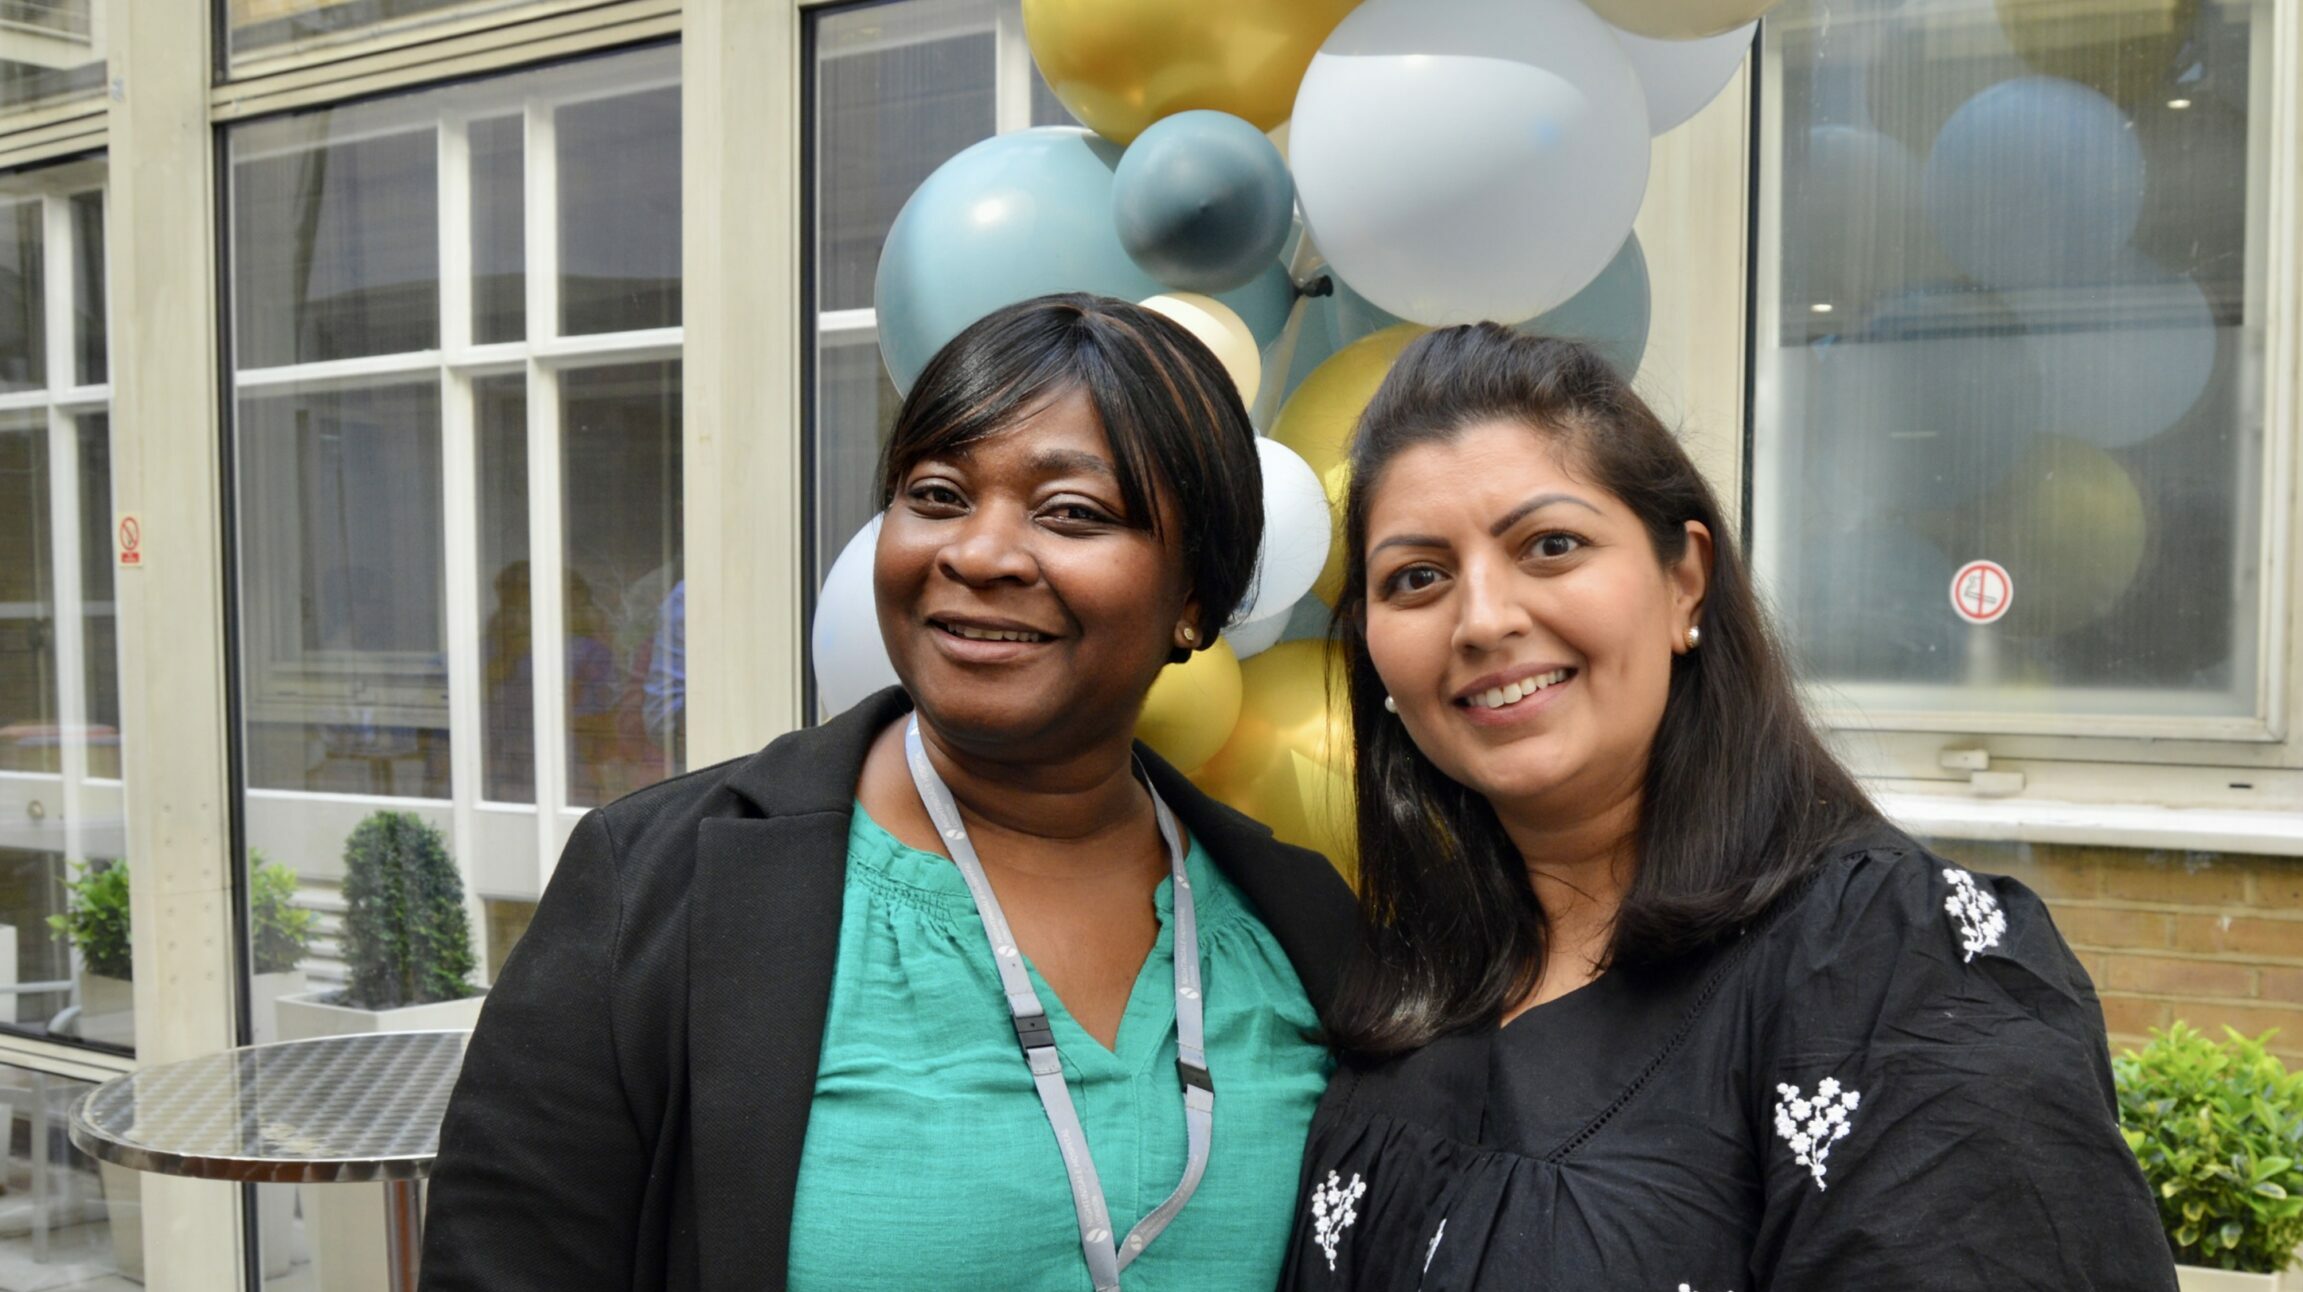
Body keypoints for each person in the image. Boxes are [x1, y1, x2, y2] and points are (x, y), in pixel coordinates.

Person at [423, 293, 1355, 1291]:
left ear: (1195, 600)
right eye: (938, 494)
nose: (976, 552)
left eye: (1070, 512)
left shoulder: (1300, 929)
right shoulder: (659, 887)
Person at [1279, 324, 2177, 1291]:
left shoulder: (1897, 966)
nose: (1484, 618)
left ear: (1684, 582)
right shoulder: (1408, 974)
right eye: (1417, 577)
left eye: (1550, 545)